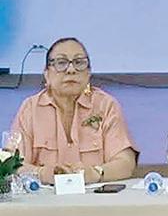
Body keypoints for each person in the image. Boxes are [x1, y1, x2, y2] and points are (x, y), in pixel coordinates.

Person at [7, 37, 137, 185]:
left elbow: (126, 163)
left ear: (88, 73)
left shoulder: (106, 105)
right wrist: (43, 174)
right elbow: (11, 165)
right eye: (61, 63)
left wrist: (95, 173)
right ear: (46, 74)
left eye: (79, 62)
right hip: (45, 195)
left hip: (94, 195)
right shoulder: (30, 109)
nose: (71, 70)